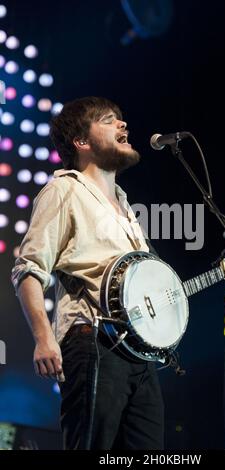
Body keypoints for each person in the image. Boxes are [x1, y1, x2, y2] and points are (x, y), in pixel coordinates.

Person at [11, 96, 164, 450]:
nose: (123, 125)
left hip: (138, 352)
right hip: (93, 343)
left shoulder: (126, 206)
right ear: (82, 141)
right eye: (110, 120)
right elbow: (29, 269)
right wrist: (44, 338)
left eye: (121, 120)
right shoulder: (64, 189)